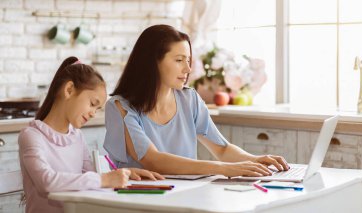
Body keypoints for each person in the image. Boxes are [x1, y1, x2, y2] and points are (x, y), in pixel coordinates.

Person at [104, 24, 289, 177]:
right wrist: (222, 169)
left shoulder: (189, 98)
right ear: (153, 62)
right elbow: (153, 160)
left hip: (184, 194)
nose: (188, 69)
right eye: (179, 60)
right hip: (140, 198)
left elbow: (222, 150)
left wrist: (254, 160)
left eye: (188, 60)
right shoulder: (120, 107)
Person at [18, 56, 163, 213]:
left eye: (97, 109)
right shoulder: (32, 135)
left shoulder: (77, 136)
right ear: (69, 90)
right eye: (93, 104)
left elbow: (92, 176)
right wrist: (104, 179)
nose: (93, 113)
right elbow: (46, 181)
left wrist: (123, 173)